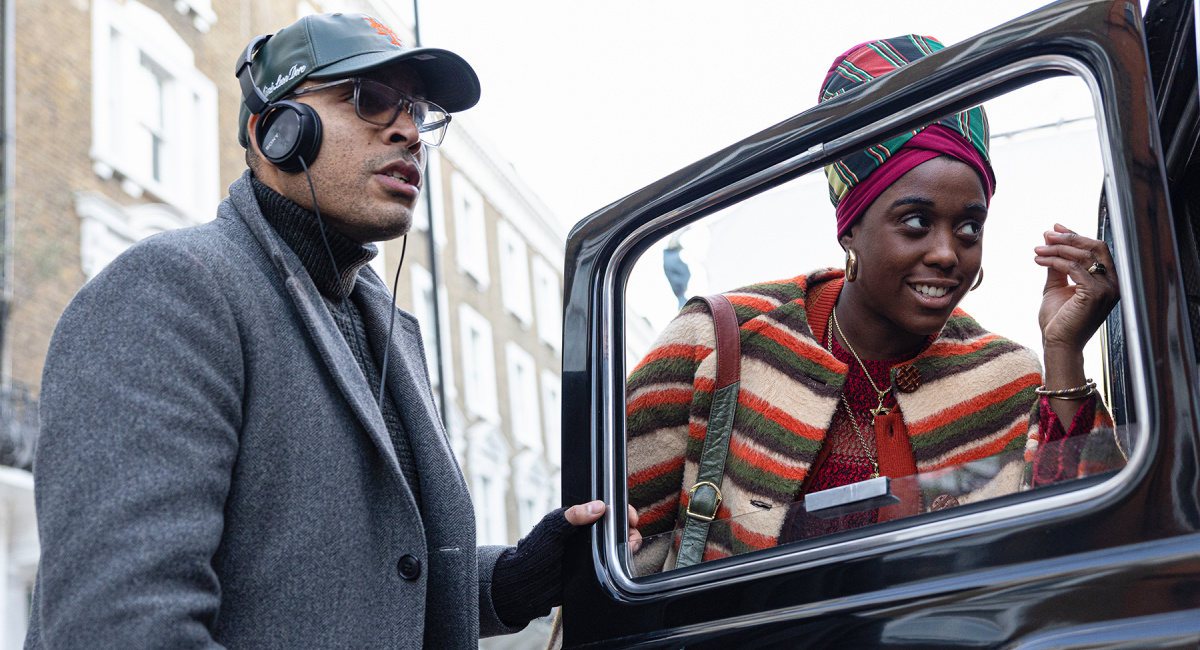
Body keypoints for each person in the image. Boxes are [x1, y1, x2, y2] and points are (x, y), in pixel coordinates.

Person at [26, 13, 637, 648]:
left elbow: (356, 582)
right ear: (278, 132)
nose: (409, 131)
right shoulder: (168, 293)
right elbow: (122, 626)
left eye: (420, 113)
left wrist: (511, 581)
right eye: (370, 99)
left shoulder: (387, 329)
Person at [625, 35, 1121, 573]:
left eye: (969, 228)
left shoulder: (1006, 379)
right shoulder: (722, 342)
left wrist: (1063, 349)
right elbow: (613, 558)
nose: (946, 253)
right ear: (850, 227)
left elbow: (1084, 553)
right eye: (915, 222)